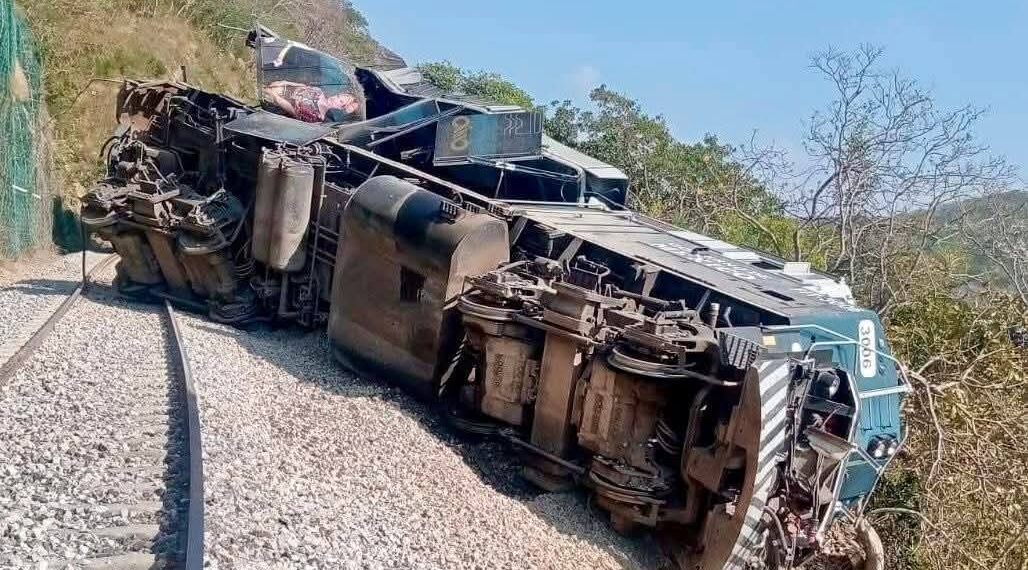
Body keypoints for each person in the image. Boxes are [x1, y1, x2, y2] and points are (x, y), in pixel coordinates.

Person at [262, 80, 360, 123]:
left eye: (340, 101)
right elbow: (302, 86)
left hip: (273, 101)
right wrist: (285, 82)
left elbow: (289, 108)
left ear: (340, 108)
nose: (335, 98)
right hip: (277, 88)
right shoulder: (319, 91)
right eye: (338, 95)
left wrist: (272, 95)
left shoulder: (317, 116)